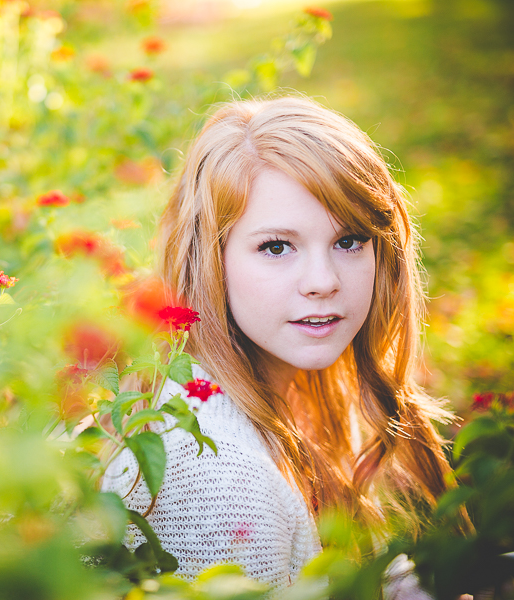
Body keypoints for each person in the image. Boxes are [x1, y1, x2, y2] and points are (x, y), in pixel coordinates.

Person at [102, 96, 457, 592]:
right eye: (276, 246)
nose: (323, 280)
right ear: (211, 261)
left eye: (350, 240)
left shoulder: (277, 390)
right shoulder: (219, 480)